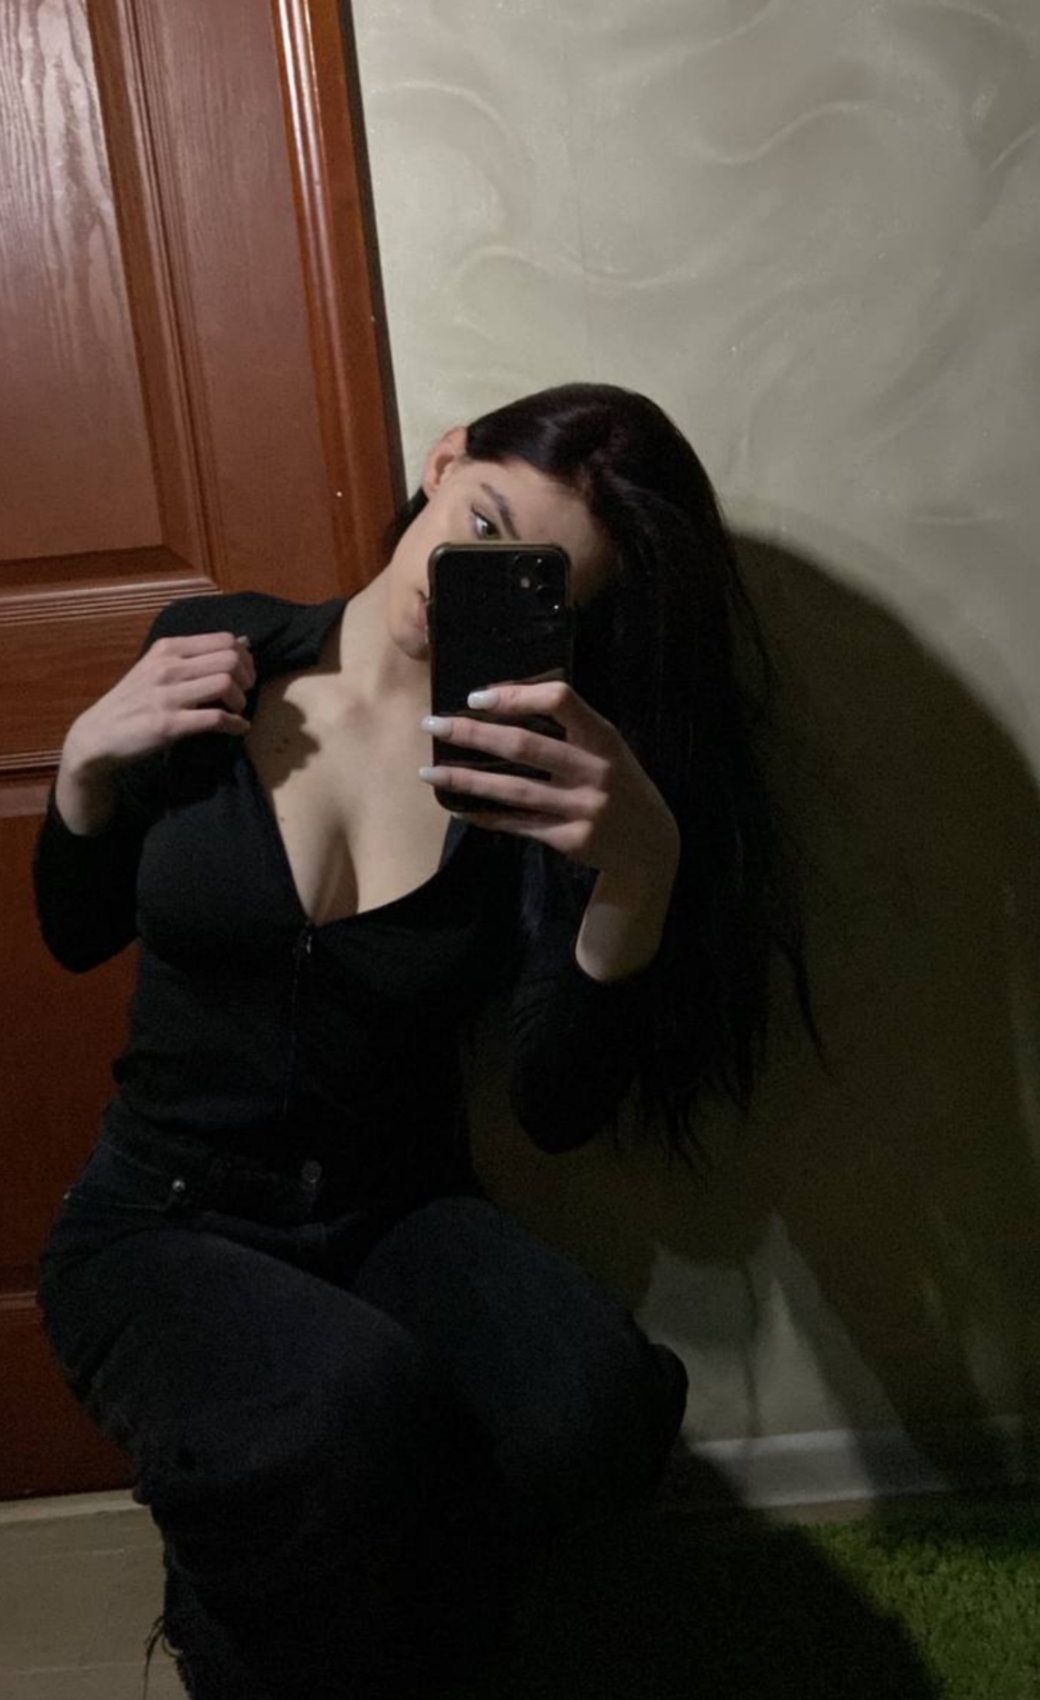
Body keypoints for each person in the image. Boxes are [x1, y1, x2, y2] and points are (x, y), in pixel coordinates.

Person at [33, 383, 810, 1699]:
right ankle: (234, 1609)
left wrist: (641, 872)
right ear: (444, 461)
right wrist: (83, 768)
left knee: (595, 1411)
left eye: (526, 579)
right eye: (482, 525)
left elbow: (557, 1107)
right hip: (160, 1215)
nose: (463, 594)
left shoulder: (528, 775)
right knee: (346, 1411)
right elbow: (74, 931)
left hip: (395, 1210)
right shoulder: (219, 653)